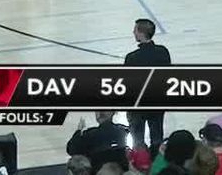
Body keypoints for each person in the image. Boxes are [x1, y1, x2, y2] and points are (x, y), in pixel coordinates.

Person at [125, 18, 170, 149]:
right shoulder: (162, 52)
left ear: (141, 33)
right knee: (157, 137)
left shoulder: (132, 57)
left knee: (138, 140)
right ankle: (157, 158)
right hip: (157, 102)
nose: (133, 32)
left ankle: (140, 160)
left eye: (135, 30)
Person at [67, 112, 131, 173]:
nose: (100, 112)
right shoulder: (123, 130)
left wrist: (78, 131)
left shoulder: (90, 134)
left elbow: (71, 149)